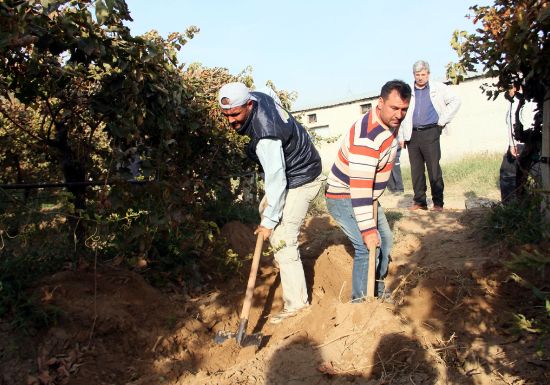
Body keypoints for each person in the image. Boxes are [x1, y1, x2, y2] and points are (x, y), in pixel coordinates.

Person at [218, 82, 325, 324]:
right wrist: (269, 216)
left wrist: (268, 223)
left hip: (302, 177)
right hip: (291, 172)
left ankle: (297, 306)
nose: (231, 121)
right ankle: (288, 264)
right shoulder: (256, 96)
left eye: (235, 114)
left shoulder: (265, 135)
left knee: (282, 237)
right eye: (226, 115)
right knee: (269, 214)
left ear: (249, 104)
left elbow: (277, 179)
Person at [325, 80, 411, 302]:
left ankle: (377, 289)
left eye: (404, 109)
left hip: (366, 193)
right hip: (345, 196)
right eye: (395, 108)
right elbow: (359, 190)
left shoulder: (389, 121)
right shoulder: (367, 139)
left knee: (385, 239)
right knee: (367, 246)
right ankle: (360, 303)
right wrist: (367, 229)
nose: (400, 115)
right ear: (380, 103)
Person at [399, 60, 461, 211]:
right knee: (416, 170)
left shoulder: (438, 88)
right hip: (412, 134)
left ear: (428, 74)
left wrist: (442, 121)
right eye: (417, 74)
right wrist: (401, 136)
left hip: (431, 132)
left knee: (434, 169)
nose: (420, 77)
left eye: (423, 74)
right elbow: (401, 113)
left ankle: (438, 203)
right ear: (413, 74)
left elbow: (456, 101)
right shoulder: (407, 91)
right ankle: (420, 201)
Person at [499, 83, 537, 203]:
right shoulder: (518, 98)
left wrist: (513, 143)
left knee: (509, 174)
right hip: (526, 141)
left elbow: (515, 121)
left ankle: (511, 206)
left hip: (524, 142)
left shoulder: (520, 98)